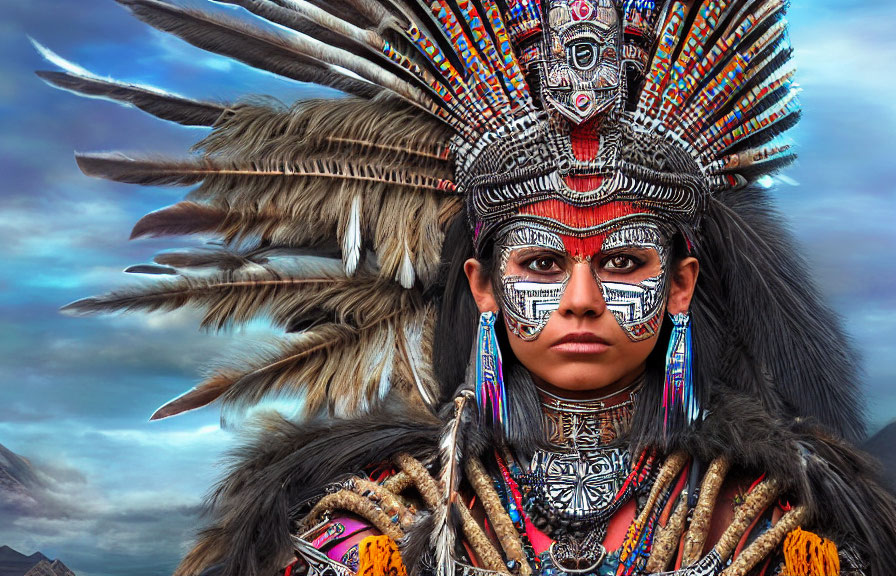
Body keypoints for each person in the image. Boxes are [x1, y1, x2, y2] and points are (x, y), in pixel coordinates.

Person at [41, 0, 896, 575]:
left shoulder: (771, 534)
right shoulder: (367, 529)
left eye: (625, 263)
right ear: (484, 287)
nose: (582, 298)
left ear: (682, 286)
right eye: (542, 264)